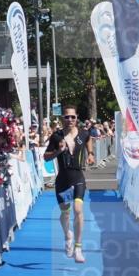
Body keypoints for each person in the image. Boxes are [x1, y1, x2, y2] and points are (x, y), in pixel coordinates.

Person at [44, 105, 95, 264]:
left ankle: (78, 248)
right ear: (62, 119)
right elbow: (46, 157)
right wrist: (58, 151)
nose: (70, 120)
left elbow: (89, 141)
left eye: (73, 117)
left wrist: (91, 154)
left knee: (78, 209)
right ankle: (68, 235)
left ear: (77, 117)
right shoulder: (56, 137)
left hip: (78, 177)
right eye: (67, 117)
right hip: (63, 180)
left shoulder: (83, 133)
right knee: (65, 213)